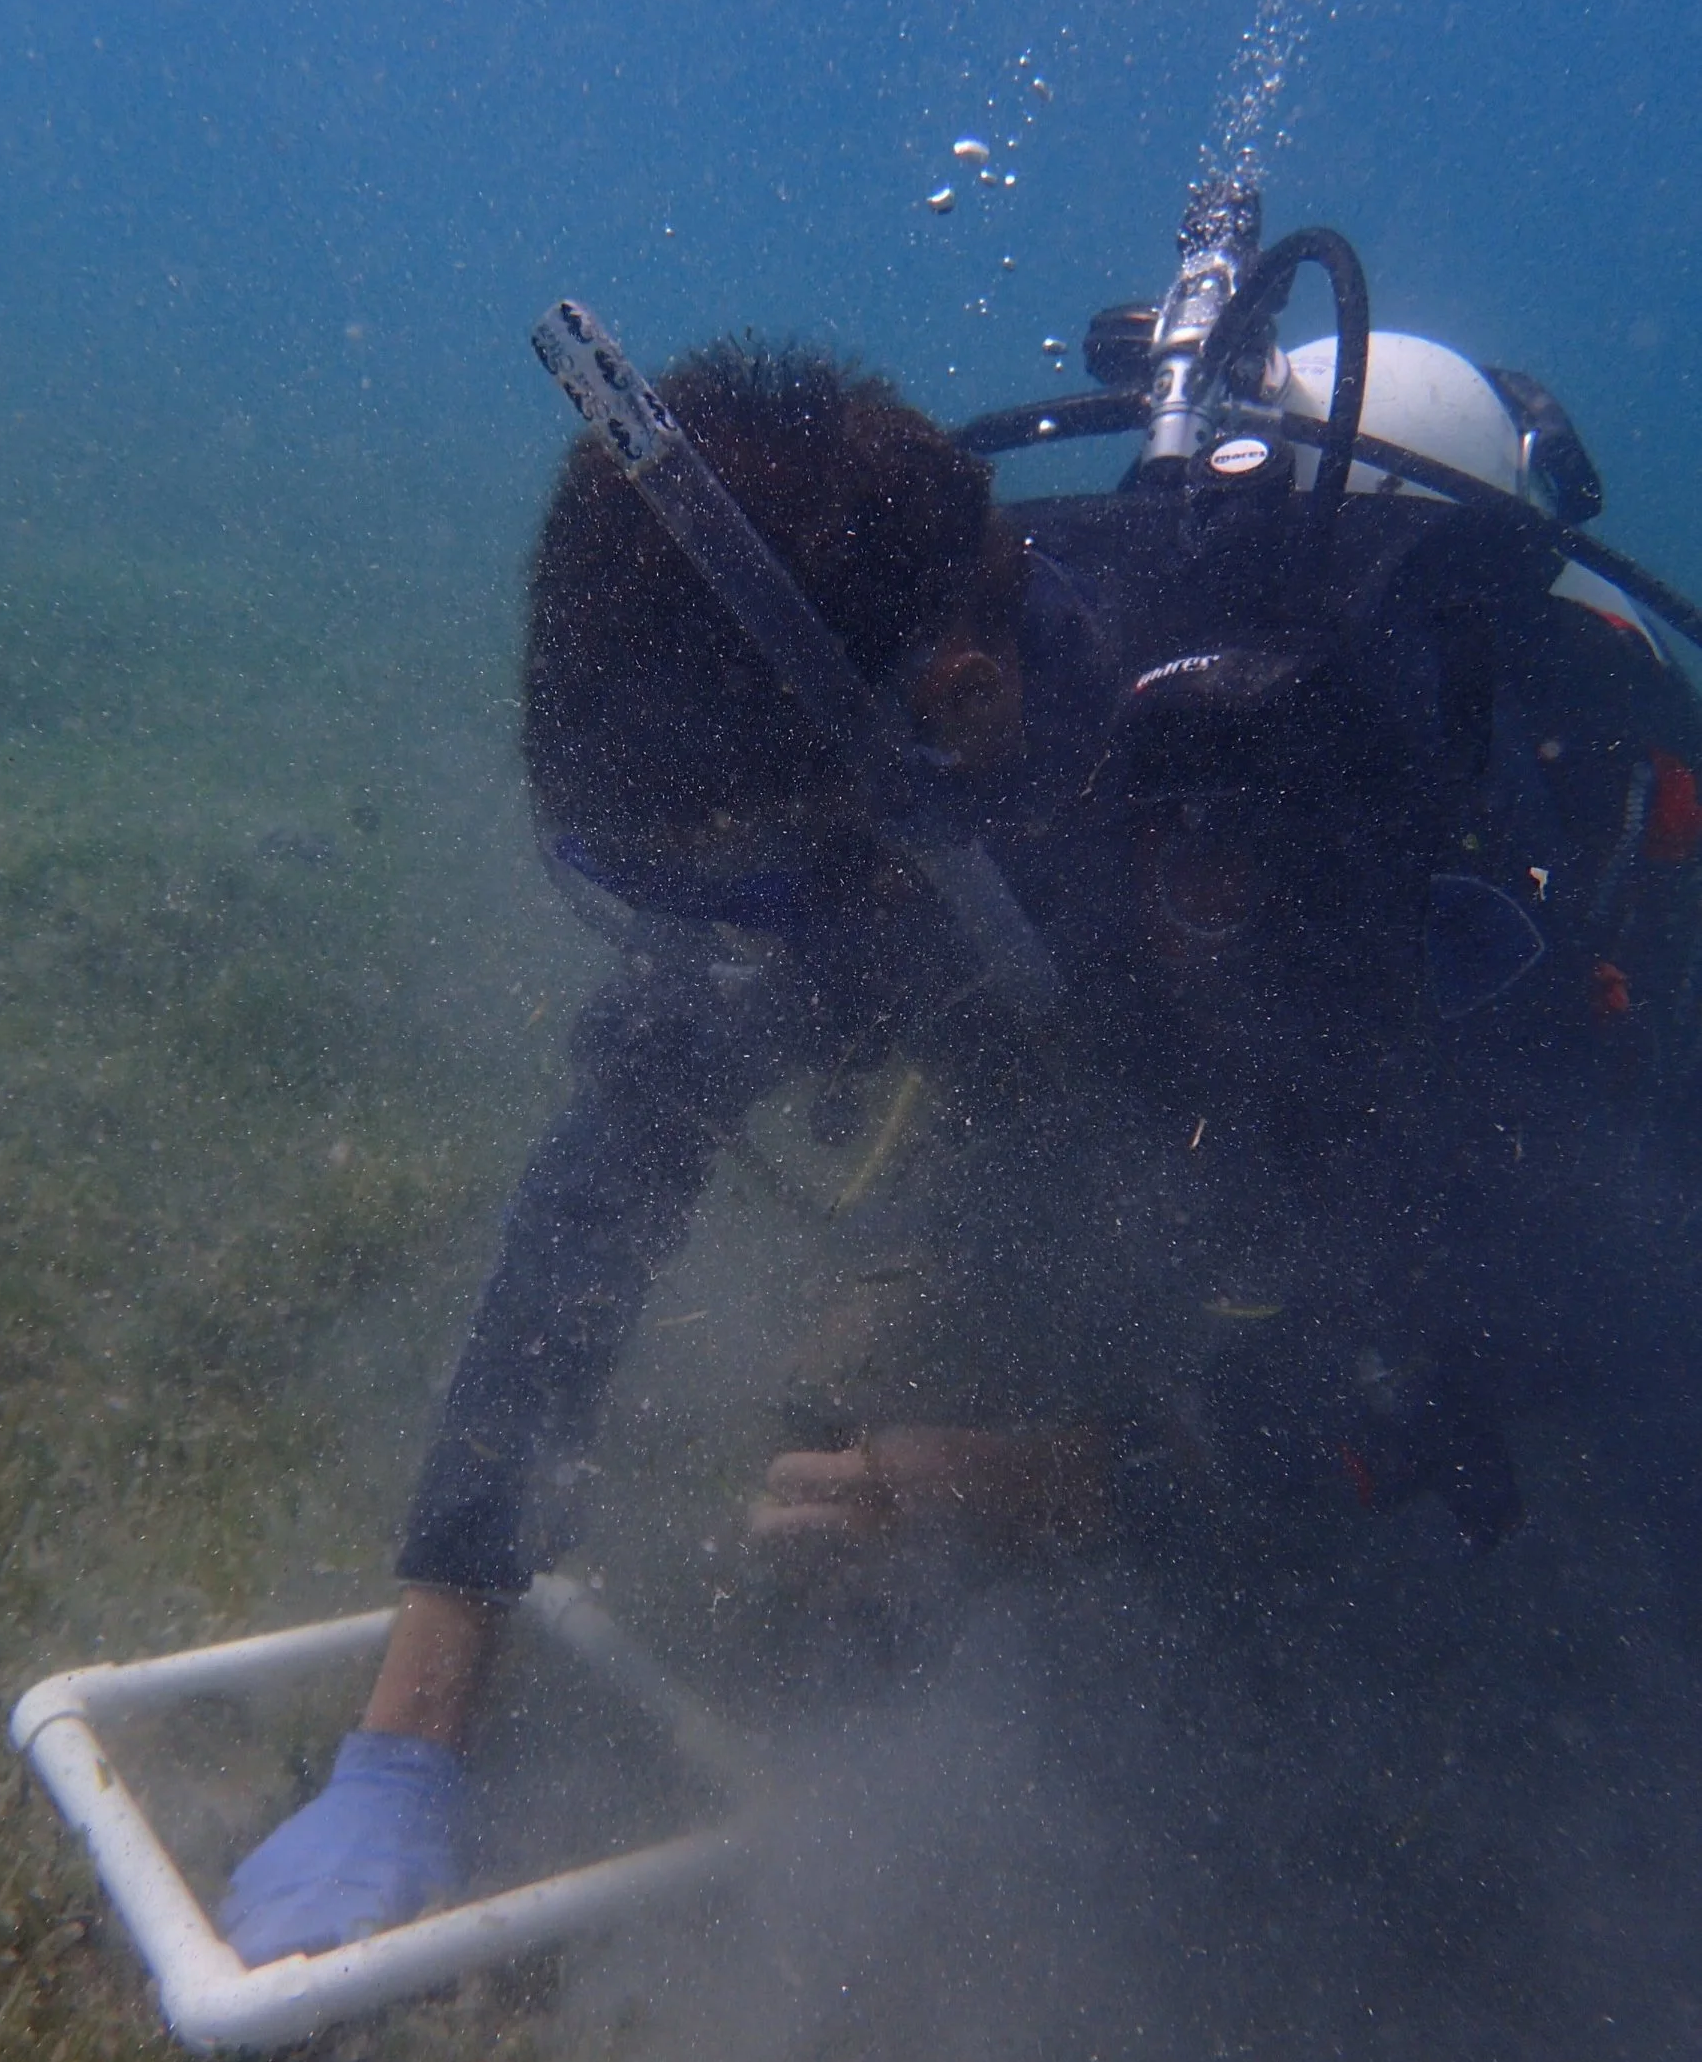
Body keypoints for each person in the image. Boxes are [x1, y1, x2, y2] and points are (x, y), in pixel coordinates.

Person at [217, 313, 1702, 1967]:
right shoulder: (857, 747)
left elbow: (1510, 1312)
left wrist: (1073, 1479)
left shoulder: (1300, 811)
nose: (725, 955)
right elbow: (602, 1183)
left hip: (1553, 1135)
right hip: (1150, 1061)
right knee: (949, 1277)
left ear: (962, 700)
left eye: (745, 891)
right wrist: (410, 1734)